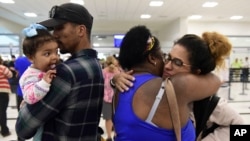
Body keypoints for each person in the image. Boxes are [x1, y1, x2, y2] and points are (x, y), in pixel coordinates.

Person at [113, 31, 244, 141]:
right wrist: (115, 80)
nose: (168, 66)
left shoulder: (208, 103)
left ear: (195, 72)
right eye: (168, 58)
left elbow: (242, 130)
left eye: (177, 62)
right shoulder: (159, 85)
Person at [15, 3, 104, 141]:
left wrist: (25, 106)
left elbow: (23, 128)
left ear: (81, 30)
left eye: (60, 28)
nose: (54, 34)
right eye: (54, 29)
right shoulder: (95, 65)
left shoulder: (65, 72)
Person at [102, 56, 120, 141]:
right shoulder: (118, 71)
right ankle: (116, 134)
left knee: (108, 118)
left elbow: (101, 85)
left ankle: (109, 136)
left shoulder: (103, 72)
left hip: (106, 98)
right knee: (117, 117)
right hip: (117, 98)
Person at [14, 56, 31, 141]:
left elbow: (17, 74)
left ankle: (20, 139)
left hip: (21, 92)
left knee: (21, 118)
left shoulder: (19, 60)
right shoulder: (39, 58)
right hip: (37, 93)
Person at [0, 55, 13, 137]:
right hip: (3, 91)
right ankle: (4, 131)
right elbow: (10, 75)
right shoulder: (2, 67)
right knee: (2, 111)